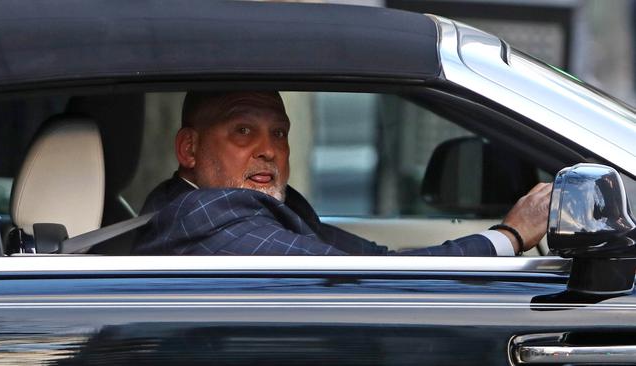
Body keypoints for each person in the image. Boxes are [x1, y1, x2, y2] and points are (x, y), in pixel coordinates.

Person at [133, 91, 552, 256]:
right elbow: (371, 283)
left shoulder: (195, 203)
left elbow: (377, 261)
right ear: (189, 148)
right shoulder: (210, 219)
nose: (269, 149)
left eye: (279, 132)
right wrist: (510, 236)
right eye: (243, 131)